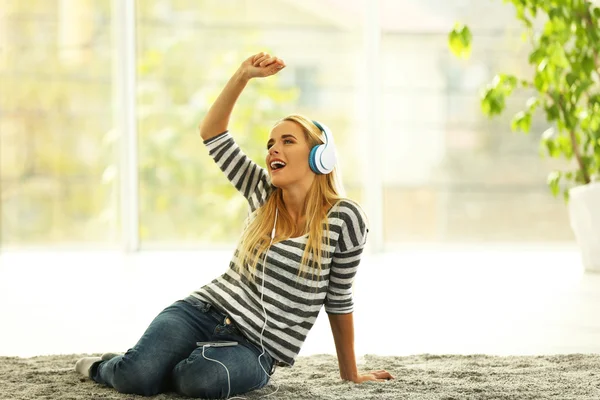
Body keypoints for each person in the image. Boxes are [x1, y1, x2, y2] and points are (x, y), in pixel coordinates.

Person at [75, 51, 394, 399]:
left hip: (256, 347)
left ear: (321, 156)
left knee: (200, 382)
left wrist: (351, 375)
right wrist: (243, 75)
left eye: (288, 141)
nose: (274, 149)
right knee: (136, 378)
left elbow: (339, 298)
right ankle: (105, 366)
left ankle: (158, 366)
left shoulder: (345, 218)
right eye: (270, 143)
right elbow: (212, 132)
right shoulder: (261, 191)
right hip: (200, 312)